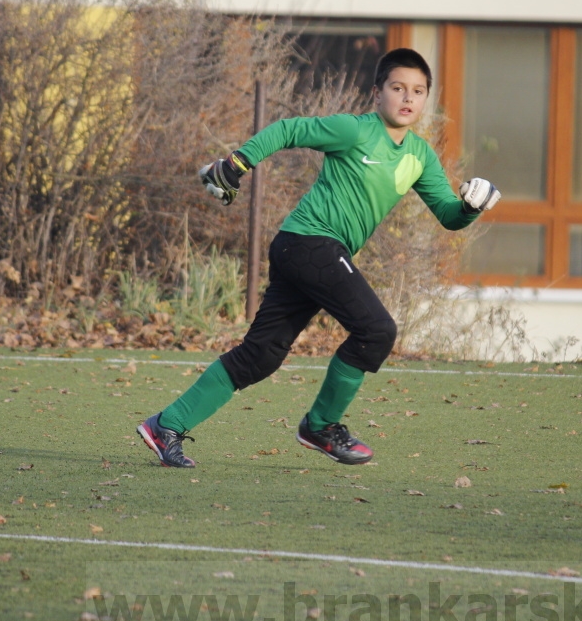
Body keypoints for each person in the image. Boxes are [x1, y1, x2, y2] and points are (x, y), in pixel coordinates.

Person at [138, 48, 500, 468]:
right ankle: (321, 426)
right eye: (397, 87)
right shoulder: (355, 130)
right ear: (377, 93)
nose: (407, 98)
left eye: (417, 91)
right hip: (309, 243)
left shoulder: (420, 156)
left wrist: (472, 207)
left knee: (262, 356)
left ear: (425, 100)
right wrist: (238, 163)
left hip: (310, 251)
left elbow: (448, 216)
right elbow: (289, 129)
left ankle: (166, 424)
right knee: (376, 330)